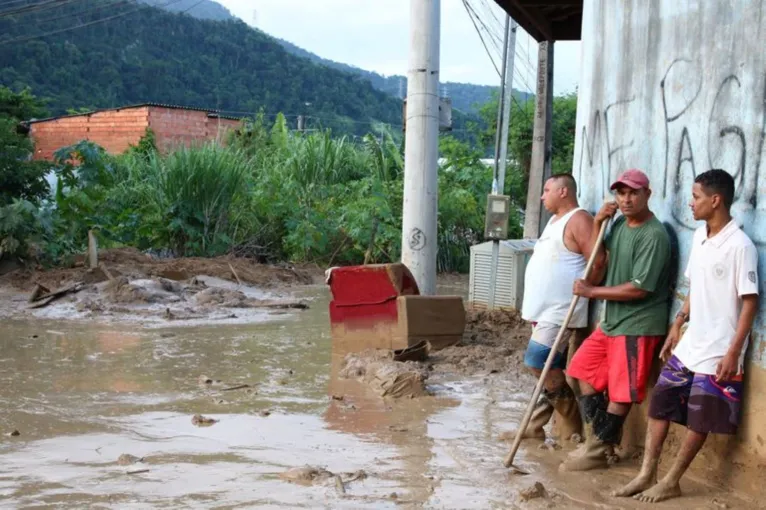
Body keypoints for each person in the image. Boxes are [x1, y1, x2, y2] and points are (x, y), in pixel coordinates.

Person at [613, 169, 759, 503]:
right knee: (661, 403)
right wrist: (678, 322)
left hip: (720, 349)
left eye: (695, 197)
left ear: (715, 200)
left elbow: (750, 302)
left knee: (701, 416)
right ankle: (646, 473)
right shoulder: (700, 236)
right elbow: (695, 285)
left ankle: (671, 479)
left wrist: (734, 351)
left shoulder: (741, 246)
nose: (690, 203)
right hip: (692, 342)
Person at [560, 168, 672, 472]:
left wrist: (592, 291)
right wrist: (598, 222)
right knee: (580, 371)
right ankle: (600, 438)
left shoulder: (654, 235)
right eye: (621, 193)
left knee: (621, 392)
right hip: (612, 323)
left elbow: (639, 288)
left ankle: (596, 449)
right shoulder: (620, 224)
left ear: (647, 194)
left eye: (633, 192)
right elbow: (601, 256)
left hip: (637, 324)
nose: (626, 199)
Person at [517, 174, 603, 441]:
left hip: (560, 310)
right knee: (547, 368)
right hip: (543, 311)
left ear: (563, 191)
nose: (542, 196)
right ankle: (534, 427)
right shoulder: (555, 221)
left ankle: (572, 424)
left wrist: (588, 289)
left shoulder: (579, 219)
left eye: (547, 190)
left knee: (537, 362)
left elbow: (598, 261)